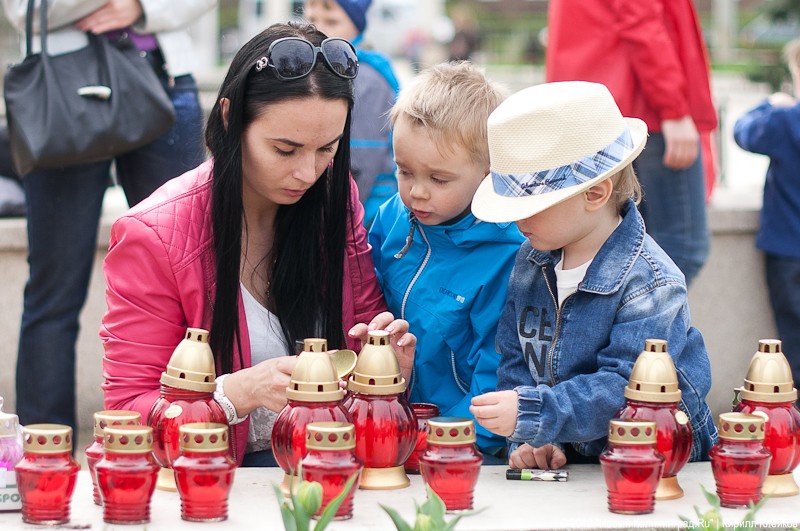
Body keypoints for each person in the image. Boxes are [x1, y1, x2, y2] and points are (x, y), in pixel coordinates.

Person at [100, 22, 415, 467]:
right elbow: (125, 415)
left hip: (325, 470)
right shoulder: (152, 235)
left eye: (327, 148)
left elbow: (362, 331)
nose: (308, 172)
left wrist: (386, 368)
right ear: (230, 117)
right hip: (213, 484)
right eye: (285, 150)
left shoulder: (334, 197)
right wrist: (235, 394)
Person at [469, 81, 717, 469]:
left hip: (655, 459)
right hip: (579, 455)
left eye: (532, 205)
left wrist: (537, 413)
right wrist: (535, 439)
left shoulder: (651, 284)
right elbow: (516, 358)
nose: (518, 219)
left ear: (595, 194)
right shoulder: (531, 261)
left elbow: (626, 389)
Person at [2, 0, 215, 435]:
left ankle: (195, 431)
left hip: (164, 76)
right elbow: (23, 9)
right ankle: (45, 455)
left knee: (194, 276)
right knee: (53, 288)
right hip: (60, 85)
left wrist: (139, 6)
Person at [368, 62, 523, 460]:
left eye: (439, 179)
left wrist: (439, 440)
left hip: (460, 446)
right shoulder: (392, 218)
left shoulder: (506, 256)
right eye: (405, 172)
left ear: (489, 174)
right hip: (389, 423)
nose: (417, 192)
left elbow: (499, 375)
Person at [546, 0, 717, 287]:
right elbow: (641, 20)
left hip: (600, 109)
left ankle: (623, 328)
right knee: (681, 249)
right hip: (645, 111)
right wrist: (672, 108)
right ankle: (641, 329)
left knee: (618, 244)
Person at [733, 39, 800, 393]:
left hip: (787, 250)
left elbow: (741, 130)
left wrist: (769, 103)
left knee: (792, 336)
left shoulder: (785, 120)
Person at [304, 0, 400, 226]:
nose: (319, 30)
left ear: (358, 25)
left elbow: (360, 160)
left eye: (332, 21)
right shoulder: (326, 67)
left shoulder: (363, 76)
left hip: (366, 214)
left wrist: (339, 223)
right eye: (312, 20)